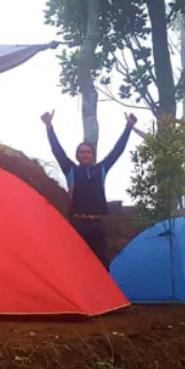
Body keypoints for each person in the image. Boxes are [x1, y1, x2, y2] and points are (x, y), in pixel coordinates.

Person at [41, 110, 137, 266]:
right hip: (78, 223)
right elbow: (57, 151)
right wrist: (49, 127)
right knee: (77, 262)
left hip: (99, 224)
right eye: (81, 152)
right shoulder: (71, 170)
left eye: (88, 152)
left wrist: (129, 127)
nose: (85, 154)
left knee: (100, 263)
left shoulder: (101, 169)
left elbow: (117, 151)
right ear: (77, 155)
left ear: (93, 155)